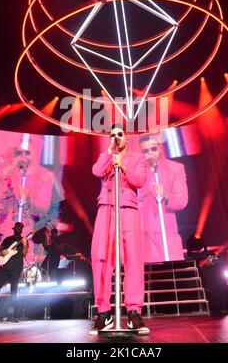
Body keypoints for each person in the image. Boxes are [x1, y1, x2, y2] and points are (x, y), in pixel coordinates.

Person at [90, 123, 149, 334]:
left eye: (119, 134)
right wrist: (108, 155)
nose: (116, 137)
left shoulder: (137, 158)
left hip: (128, 209)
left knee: (133, 259)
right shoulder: (105, 156)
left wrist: (123, 165)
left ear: (127, 138)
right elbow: (96, 171)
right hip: (106, 209)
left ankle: (134, 311)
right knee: (101, 258)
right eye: (112, 135)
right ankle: (104, 312)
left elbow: (140, 181)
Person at [0, 139, 64, 258]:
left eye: (27, 153)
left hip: (21, 234)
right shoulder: (4, 166)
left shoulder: (44, 175)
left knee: (15, 272)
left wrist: (29, 199)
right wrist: (5, 171)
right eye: (19, 153)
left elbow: (42, 208)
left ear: (34, 153)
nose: (23, 156)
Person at [138, 134, 188, 262]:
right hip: (143, 236)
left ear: (160, 148)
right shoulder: (138, 170)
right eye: (145, 151)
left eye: (153, 149)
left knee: (172, 276)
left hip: (167, 235)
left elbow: (182, 201)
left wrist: (166, 194)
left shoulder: (175, 168)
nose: (150, 153)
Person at [0, 222, 28, 322]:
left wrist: (25, 244)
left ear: (22, 229)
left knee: (14, 291)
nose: (18, 229)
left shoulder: (24, 240)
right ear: (14, 228)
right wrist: (3, 252)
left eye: (20, 228)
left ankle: (11, 315)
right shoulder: (7, 239)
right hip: (5, 267)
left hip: (16, 268)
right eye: (17, 227)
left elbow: (24, 253)